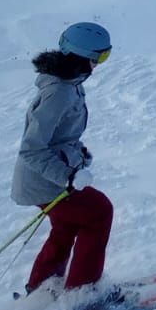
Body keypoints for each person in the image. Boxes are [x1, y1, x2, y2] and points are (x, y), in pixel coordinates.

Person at [12, 22, 115, 295]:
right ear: (81, 56)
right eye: (99, 57)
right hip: (45, 181)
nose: (99, 64)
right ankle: (82, 294)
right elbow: (32, 148)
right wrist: (67, 175)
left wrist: (77, 154)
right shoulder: (59, 92)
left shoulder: (69, 82)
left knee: (67, 224)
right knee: (99, 212)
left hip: (49, 177)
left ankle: (43, 287)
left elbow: (58, 136)